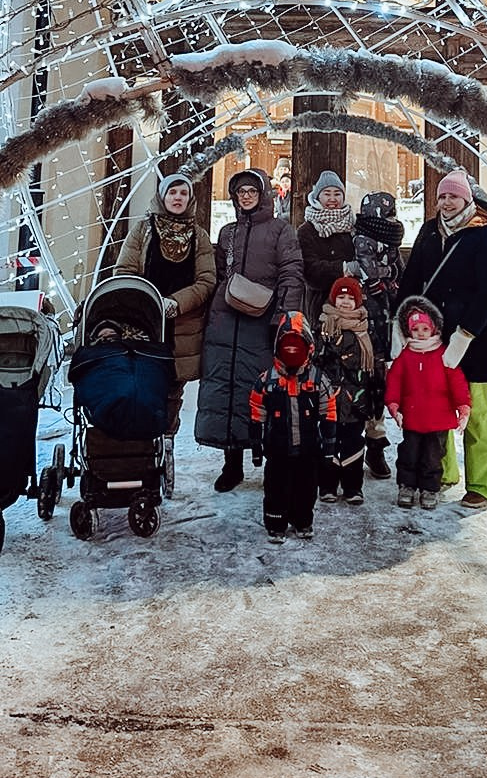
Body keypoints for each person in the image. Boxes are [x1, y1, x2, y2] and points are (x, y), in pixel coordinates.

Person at [397, 167, 487, 509]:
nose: (446, 202)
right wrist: (402, 323)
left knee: (477, 413)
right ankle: (440, 471)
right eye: (442, 196)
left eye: (453, 196)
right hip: (434, 339)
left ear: (467, 199)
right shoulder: (430, 232)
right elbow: (412, 279)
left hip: (476, 340)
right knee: (436, 407)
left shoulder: (484, 236)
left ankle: (483, 486)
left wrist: (465, 335)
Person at [195, 167, 304, 492]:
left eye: (252, 191)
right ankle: (232, 464)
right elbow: (217, 272)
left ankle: (271, 462)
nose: (246, 197)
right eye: (241, 192)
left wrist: (283, 317)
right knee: (226, 389)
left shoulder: (281, 230)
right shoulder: (228, 232)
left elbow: (291, 273)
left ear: (263, 194)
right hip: (225, 321)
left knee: (263, 393)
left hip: (262, 322)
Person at [113, 171, 216, 434]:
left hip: (182, 329)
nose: (177, 198)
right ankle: (140, 446)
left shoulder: (199, 236)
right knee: (142, 387)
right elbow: (124, 271)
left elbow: (206, 281)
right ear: (162, 196)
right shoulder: (142, 230)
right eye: (172, 192)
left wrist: (175, 303)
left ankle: (165, 443)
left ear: (190, 198)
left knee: (171, 393)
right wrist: (147, 302)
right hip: (143, 325)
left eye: (183, 193)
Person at [249, 310, 337, 542]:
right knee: (275, 488)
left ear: (309, 348)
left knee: (306, 488)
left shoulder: (317, 380)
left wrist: (329, 448)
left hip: (309, 449)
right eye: (286, 344)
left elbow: (329, 412)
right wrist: (256, 447)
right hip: (277, 449)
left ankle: (303, 521)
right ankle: (275, 523)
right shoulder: (267, 380)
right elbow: (256, 413)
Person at [385, 295, 471, 510]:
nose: (420, 333)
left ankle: (430, 488)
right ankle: (406, 486)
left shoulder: (444, 354)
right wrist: (393, 404)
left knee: (433, 457)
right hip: (412, 417)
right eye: (416, 329)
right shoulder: (405, 356)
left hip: (438, 418)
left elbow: (457, 382)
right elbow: (394, 382)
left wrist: (463, 405)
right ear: (409, 331)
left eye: (425, 328)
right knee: (409, 454)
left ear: (433, 329)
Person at [352, 188, 405, 479]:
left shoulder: (392, 238)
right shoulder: (361, 238)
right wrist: (387, 275)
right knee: (358, 383)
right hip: (361, 321)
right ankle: (351, 447)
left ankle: (376, 444)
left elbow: (398, 271)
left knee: (379, 385)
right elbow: (368, 270)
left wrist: (392, 279)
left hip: (385, 320)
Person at [315, 275, 377, 504]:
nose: (345, 302)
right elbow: (315, 361)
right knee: (328, 442)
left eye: (351, 298)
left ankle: (353, 487)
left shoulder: (366, 330)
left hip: (356, 400)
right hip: (328, 399)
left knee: (353, 443)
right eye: (341, 297)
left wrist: (376, 395)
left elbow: (375, 366)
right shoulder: (323, 326)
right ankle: (328, 485)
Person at [296, 169, 356, 325]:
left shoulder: (353, 225)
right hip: (320, 304)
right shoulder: (307, 230)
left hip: (353, 302)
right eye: (327, 194)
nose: (332, 199)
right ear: (317, 197)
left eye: (337, 194)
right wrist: (344, 268)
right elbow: (310, 271)